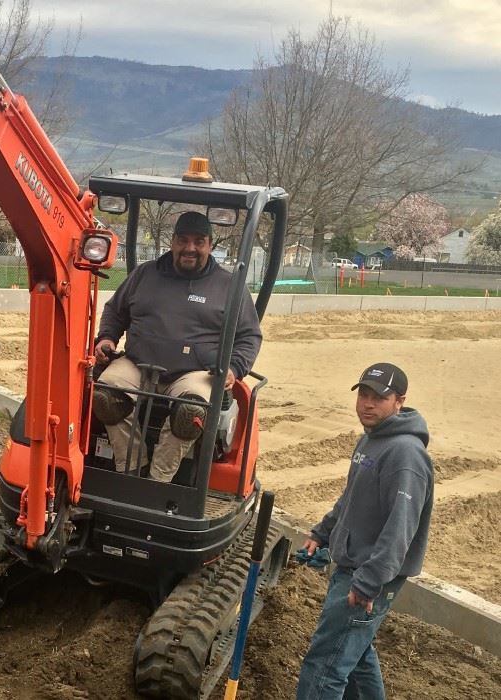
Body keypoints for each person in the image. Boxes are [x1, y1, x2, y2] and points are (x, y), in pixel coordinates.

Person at [296, 362, 433, 700]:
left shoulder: (405, 455)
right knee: (354, 656)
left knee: (326, 665)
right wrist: (323, 532)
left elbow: (400, 528)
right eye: (364, 395)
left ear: (399, 401)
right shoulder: (370, 441)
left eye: (379, 398)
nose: (367, 404)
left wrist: (369, 582)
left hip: (369, 574)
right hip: (354, 566)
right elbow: (351, 498)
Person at [92, 210, 262, 481]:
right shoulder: (145, 274)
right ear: (172, 242)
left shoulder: (229, 286)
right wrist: (107, 337)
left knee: (191, 413)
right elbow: (115, 310)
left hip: (195, 372)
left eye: (198, 241)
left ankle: (158, 480)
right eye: (183, 240)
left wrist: (234, 367)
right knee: (105, 396)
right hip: (138, 363)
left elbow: (249, 336)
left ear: (210, 245)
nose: (190, 248)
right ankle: (133, 469)